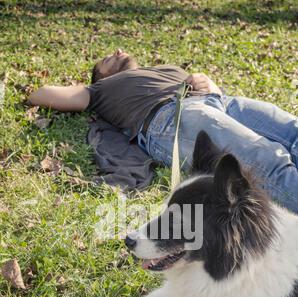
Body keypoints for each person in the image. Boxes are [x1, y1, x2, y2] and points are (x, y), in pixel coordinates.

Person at [28, 49, 298, 213]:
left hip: (221, 102)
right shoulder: (99, 91)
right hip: (172, 117)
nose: (118, 51)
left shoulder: (164, 69)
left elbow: (213, 90)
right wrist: (82, 87)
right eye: (107, 59)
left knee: (292, 132)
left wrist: (210, 83)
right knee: (265, 159)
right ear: (101, 76)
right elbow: (41, 94)